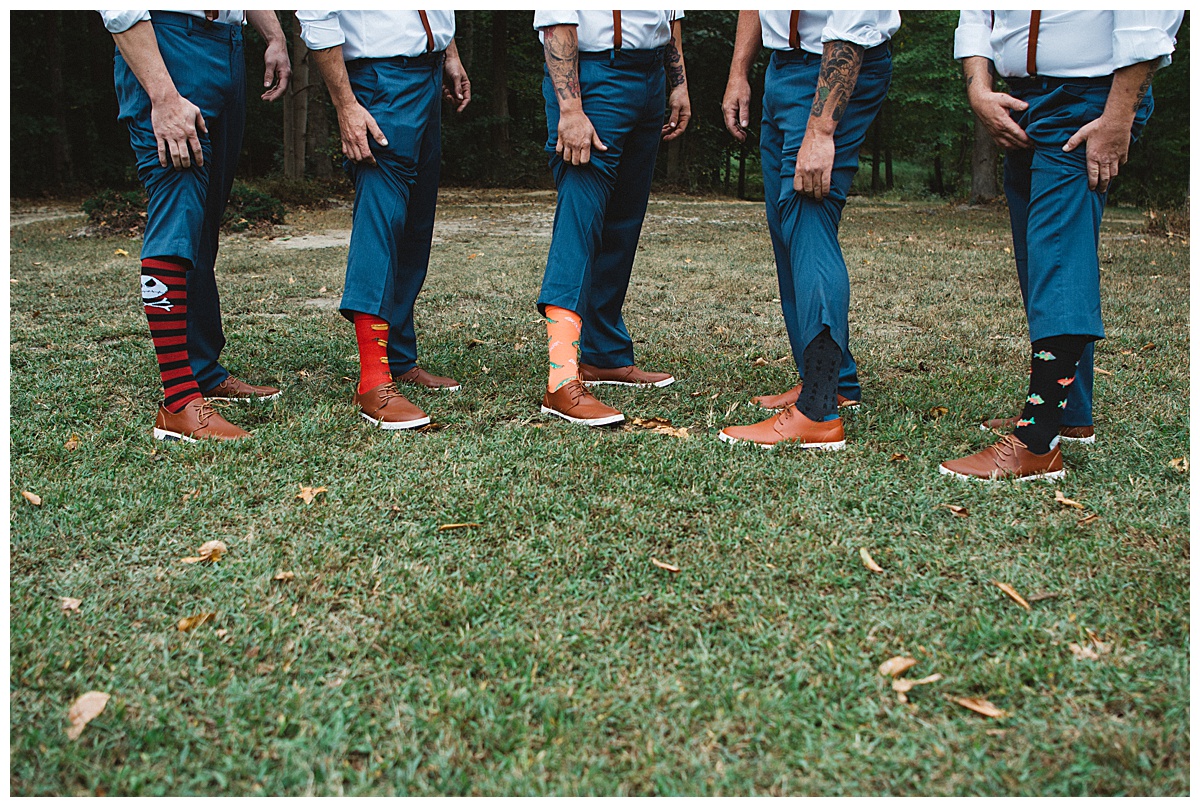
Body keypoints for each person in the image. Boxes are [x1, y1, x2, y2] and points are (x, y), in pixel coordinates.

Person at [940, 10, 1183, 480]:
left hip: (1088, 98)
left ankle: (1038, 441)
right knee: (1039, 261)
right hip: (1017, 100)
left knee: (1058, 255)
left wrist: (1118, 116)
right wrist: (978, 89)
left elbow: (1151, 17)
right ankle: (1069, 416)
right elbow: (976, 14)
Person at [104, 10, 291, 441]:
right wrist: (163, 95)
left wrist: (275, 36)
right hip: (165, 44)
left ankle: (203, 371)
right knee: (178, 213)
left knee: (203, 226)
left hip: (226, 44)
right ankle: (178, 401)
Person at [718, 11, 900, 449]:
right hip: (782, 67)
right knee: (786, 224)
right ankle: (837, 383)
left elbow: (852, 20)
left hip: (836, 64)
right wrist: (739, 72)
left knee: (807, 212)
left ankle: (818, 411)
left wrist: (821, 130)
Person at [300, 11, 471, 430]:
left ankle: (399, 359)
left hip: (427, 73)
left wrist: (448, 51)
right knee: (381, 219)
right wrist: (345, 104)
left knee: (413, 228)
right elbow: (315, 12)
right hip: (379, 78)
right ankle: (374, 380)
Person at [535, 10, 691, 427]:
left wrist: (678, 84)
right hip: (593, 77)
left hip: (650, 76)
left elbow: (670, 13)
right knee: (579, 219)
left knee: (622, 224)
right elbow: (556, 17)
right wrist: (570, 109)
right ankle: (561, 377)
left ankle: (603, 354)